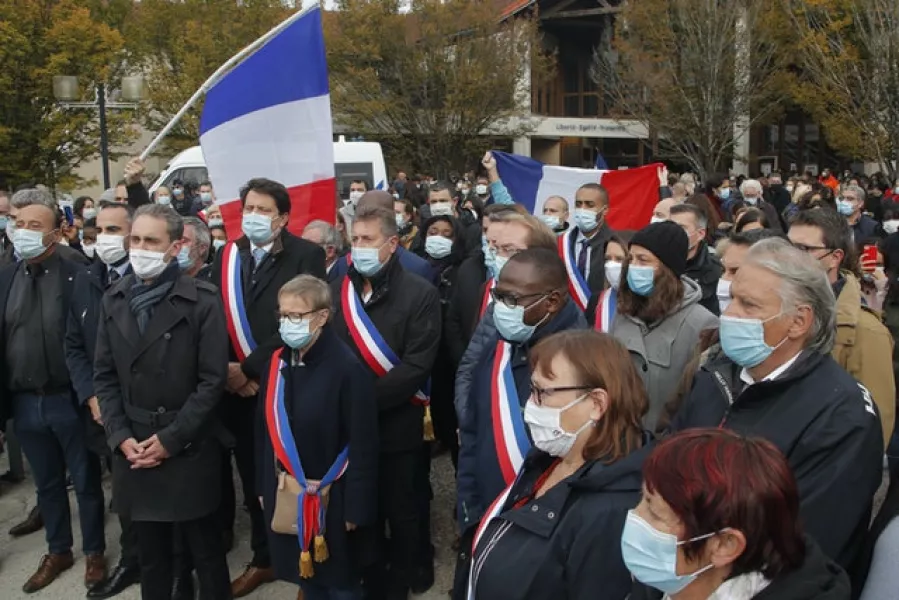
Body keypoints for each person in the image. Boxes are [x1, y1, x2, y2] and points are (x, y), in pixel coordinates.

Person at [670, 238, 883, 570]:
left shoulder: (842, 417)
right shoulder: (716, 375)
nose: (730, 314)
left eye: (749, 305)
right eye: (733, 299)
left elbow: (803, 543)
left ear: (798, 321)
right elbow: (664, 462)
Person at [92, 204, 231, 600]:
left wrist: (170, 440)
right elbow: (105, 375)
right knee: (150, 555)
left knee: (204, 552)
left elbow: (211, 381)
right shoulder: (114, 298)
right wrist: (120, 437)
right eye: (135, 239)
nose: (139, 248)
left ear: (175, 247)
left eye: (151, 240)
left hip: (185, 445)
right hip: (133, 447)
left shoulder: (202, 301)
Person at [210, 178, 327, 597]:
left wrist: (250, 368)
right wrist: (228, 371)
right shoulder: (227, 255)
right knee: (253, 478)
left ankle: (305, 565)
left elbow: (303, 318)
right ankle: (263, 557)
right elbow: (216, 314)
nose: (254, 217)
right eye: (249, 209)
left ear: (282, 217)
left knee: (295, 475)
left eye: (263, 210)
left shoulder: (306, 254)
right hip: (235, 387)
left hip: (282, 381)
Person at [469, 330, 650, 600]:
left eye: (543, 393)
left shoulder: (611, 513)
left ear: (596, 403)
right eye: (532, 390)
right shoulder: (553, 456)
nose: (530, 404)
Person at [329, 204, 441, 600]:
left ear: (392, 244)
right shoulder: (337, 287)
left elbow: (416, 364)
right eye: (354, 239)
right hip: (350, 424)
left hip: (398, 419)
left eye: (367, 240)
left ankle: (413, 566)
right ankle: (371, 572)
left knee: (405, 502)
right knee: (364, 502)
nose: (358, 248)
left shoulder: (420, 293)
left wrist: (359, 404)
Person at [455, 248, 588, 574]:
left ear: (552, 302)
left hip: (544, 531)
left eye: (513, 300)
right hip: (487, 510)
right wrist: (469, 508)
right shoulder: (496, 348)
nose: (501, 308)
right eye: (499, 296)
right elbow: (473, 432)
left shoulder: (583, 363)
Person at [0, 188, 107, 593]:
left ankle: (94, 551)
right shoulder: (6, 274)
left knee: (85, 481)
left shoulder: (78, 270)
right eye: (18, 223)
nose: (23, 231)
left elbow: (91, 339)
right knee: (45, 484)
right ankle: (58, 549)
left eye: (34, 225)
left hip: (69, 399)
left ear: (56, 230)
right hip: (25, 403)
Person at [258, 275, 379, 600]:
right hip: (290, 492)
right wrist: (263, 487)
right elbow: (265, 430)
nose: (287, 323)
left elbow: (364, 442)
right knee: (306, 578)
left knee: (340, 583)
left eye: (297, 316)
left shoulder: (347, 368)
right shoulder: (278, 361)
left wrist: (356, 507)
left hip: (334, 496)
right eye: (283, 315)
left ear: (322, 316)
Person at [625, 429, 850, 600]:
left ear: (725, 545)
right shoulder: (672, 585)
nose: (635, 516)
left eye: (654, 514)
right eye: (642, 499)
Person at [64, 202, 142, 599]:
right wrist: (92, 396)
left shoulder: (148, 276)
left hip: (149, 407)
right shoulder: (85, 278)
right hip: (105, 409)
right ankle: (133, 559)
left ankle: (173, 561)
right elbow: (75, 344)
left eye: (115, 229)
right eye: (99, 229)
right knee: (123, 492)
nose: (105, 238)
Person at [787, 208, 895, 448]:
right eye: (789, 246)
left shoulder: (866, 331)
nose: (791, 257)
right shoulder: (776, 306)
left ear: (834, 257)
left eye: (805, 249)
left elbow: (875, 422)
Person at [611, 221, 718, 431]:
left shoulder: (703, 323)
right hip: (616, 439)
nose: (634, 267)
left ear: (668, 269)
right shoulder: (622, 311)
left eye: (643, 260)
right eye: (630, 259)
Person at [443, 205, 539, 365]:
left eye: (505, 247)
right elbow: (454, 320)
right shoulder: (469, 270)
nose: (492, 246)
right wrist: (466, 360)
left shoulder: (539, 292)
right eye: (485, 232)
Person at [557, 183, 616, 309]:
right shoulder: (561, 244)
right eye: (578, 204)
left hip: (601, 317)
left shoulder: (614, 245)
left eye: (590, 205)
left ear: (605, 210)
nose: (582, 209)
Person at [670, 204, 722, 315]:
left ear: (700, 234)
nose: (673, 233)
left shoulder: (717, 270)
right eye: (670, 227)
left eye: (681, 228)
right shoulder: (657, 264)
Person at [585, 232, 632, 331]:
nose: (611, 265)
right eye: (608, 259)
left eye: (619, 259)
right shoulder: (596, 301)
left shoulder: (649, 303)